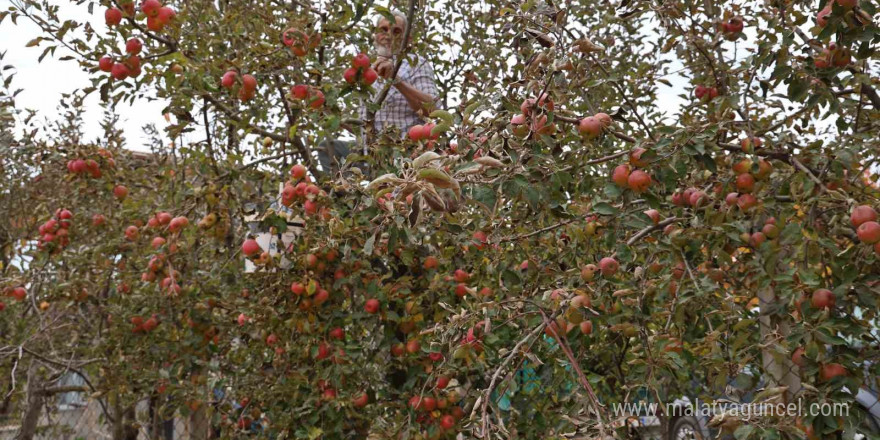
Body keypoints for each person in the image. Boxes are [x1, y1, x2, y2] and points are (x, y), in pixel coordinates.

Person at [316, 10, 439, 175]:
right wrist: (331, 114)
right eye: (384, 29)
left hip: (405, 155)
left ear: (406, 39)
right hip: (370, 156)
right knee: (327, 147)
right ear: (375, 34)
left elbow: (432, 110)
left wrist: (395, 79)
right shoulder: (364, 68)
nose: (388, 35)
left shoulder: (415, 64)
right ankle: (348, 198)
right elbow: (366, 126)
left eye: (396, 31)